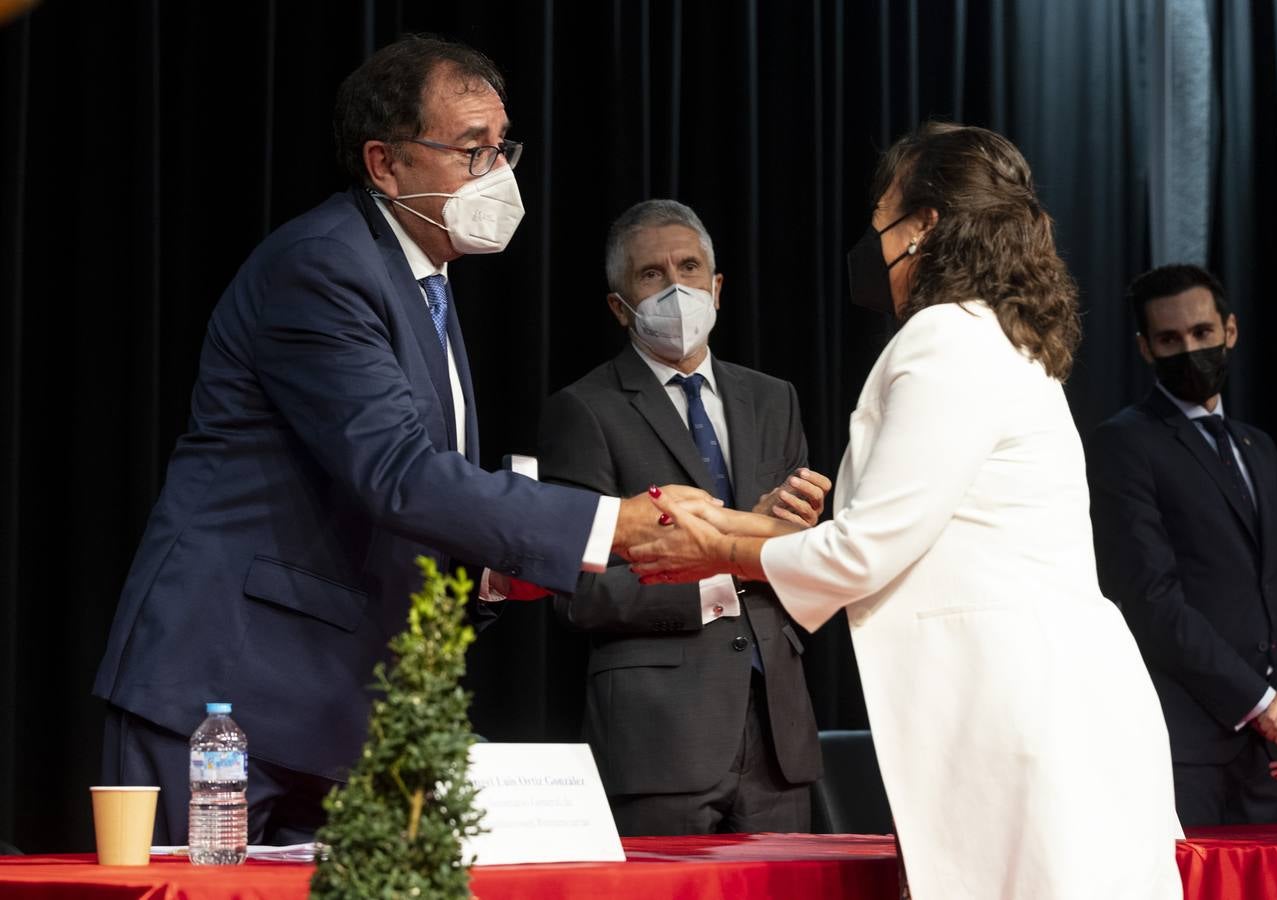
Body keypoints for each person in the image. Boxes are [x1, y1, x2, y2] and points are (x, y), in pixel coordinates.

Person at [93, 35, 689, 846]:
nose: (498, 175)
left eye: (502, 147)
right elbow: (399, 476)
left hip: (334, 708)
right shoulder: (322, 266)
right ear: (385, 163)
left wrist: (488, 573)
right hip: (222, 699)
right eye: (470, 150)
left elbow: (395, 495)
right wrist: (606, 525)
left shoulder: (423, 283)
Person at [627, 123, 1182, 898]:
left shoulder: (945, 339)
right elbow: (897, 529)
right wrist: (728, 525)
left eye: (881, 215)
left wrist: (717, 551)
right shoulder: (999, 337)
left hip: (1020, 715)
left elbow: (862, 551)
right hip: (1058, 706)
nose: (871, 240)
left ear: (922, 226)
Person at [537, 199, 829, 835]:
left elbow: (804, 552)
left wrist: (784, 545)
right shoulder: (584, 411)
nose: (676, 287)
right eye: (651, 275)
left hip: (778, 736)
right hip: (659, 739)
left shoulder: (773, 399)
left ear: (717, 287)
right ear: (620, 306)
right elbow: (575, 590)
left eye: (690, 267)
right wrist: (724, 573)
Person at [1085, 264, 1277, 826]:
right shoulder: (1124, 444)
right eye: (1169, 339)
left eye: (1202, 333)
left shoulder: (1258, 447)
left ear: (1229, 331)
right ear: (1145, 348)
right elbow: (1152, 604)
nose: (1189, 349)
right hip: (1187, 754)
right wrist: (1263, 707)